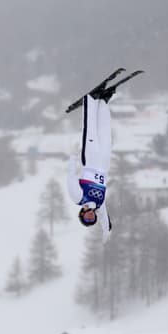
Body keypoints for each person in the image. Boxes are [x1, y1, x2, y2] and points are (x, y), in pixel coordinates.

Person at [67, 87, 117, 242]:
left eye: (86, 219)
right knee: (105, 132)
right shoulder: (99, 205)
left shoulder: (78, 198)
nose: (91, 217)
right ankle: (103, 102)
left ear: (82, 214)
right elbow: (105, 220)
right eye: (92, 220)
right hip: (104, 164)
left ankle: (91, 100)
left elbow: (71, 178)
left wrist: (73, 157)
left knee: (91, 131)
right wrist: (106, 232)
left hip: (90, 161)